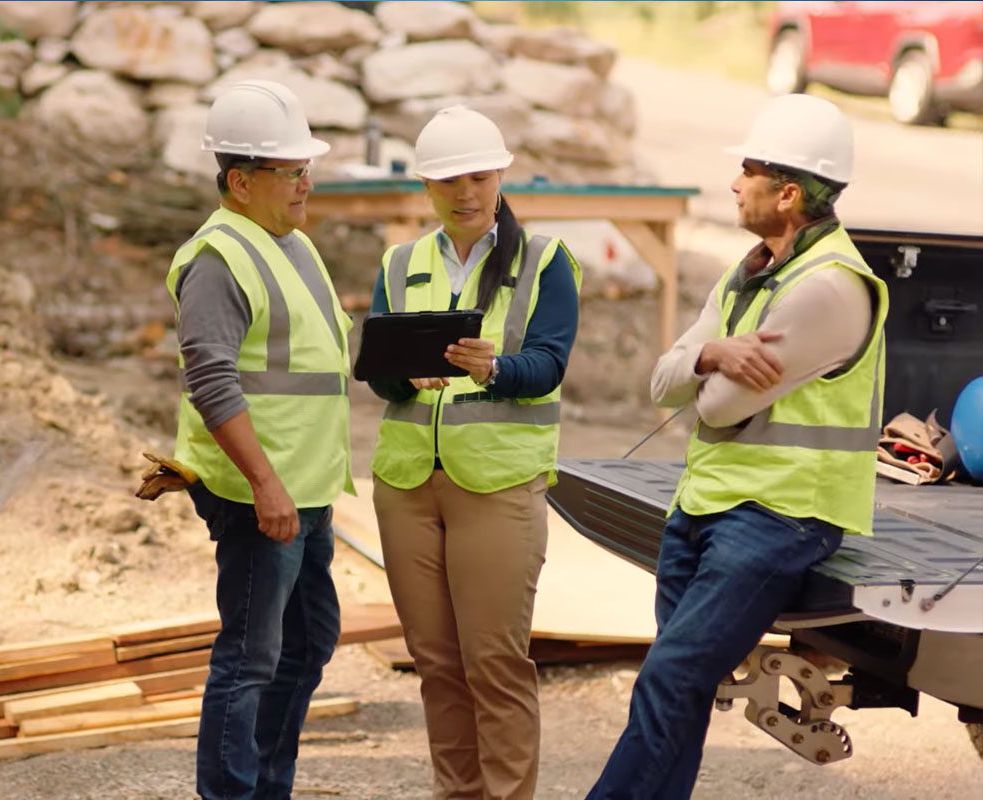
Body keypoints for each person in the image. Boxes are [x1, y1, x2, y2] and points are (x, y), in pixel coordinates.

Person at [586, 93, 889, 799]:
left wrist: (704, 364)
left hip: (779, 516)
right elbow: (664, 381)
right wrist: (711, 353)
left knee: (671, 676)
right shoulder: (747, 272)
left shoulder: (828, 290)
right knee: (679, 688)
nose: (732, 183)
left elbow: (718, 407)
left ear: (787, 193)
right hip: (707, 505)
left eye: (747, 171)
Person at [366, 105, 582, 799]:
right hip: (406, 484)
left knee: (494, 663)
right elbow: (378, 371)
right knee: (436, 663)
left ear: (500, 177)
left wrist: (497, 369)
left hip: (497, 484)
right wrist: (407, 372)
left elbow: (548, 364)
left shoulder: (545, 261)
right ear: (426, 188)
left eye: (478, 178)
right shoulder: (400, 263)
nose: (464, 194)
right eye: (447, 182)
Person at [165, 79, 354, 800]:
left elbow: (313, 361)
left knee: (306, 645)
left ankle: (266, 787)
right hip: (258, 496)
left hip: (305, 491)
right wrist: (265, 486)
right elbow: (211, 382)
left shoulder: (292, 245)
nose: (306, 181)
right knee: (249, 658)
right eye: (290, 171)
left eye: (307, 167)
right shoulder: (217, 258)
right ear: (240, 182)